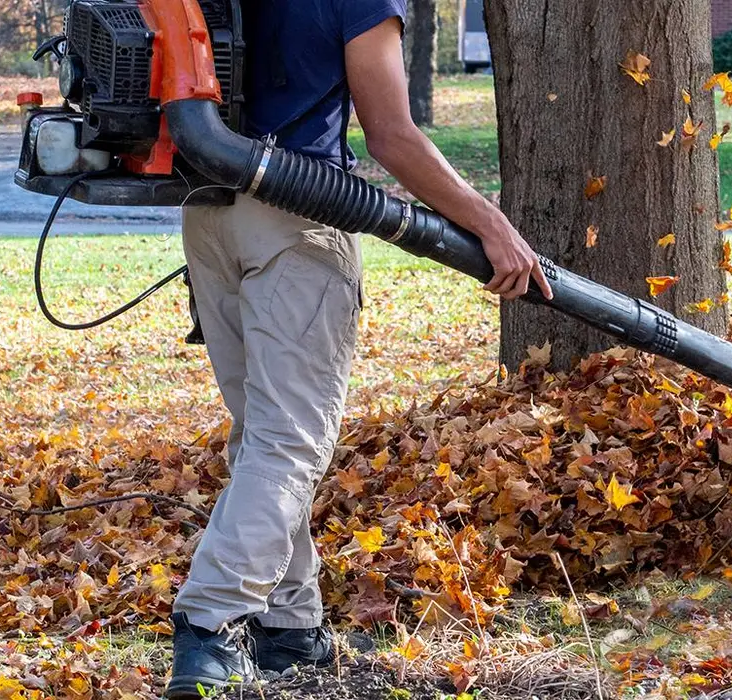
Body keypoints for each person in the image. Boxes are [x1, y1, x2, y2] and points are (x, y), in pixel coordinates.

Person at [165, 0, 553, 696]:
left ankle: (288, 628)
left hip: (209, 211)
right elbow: (392, 136)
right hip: (298, 216)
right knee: (289, 443)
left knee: (263, 435)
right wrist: (492, 224)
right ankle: (210, 626)